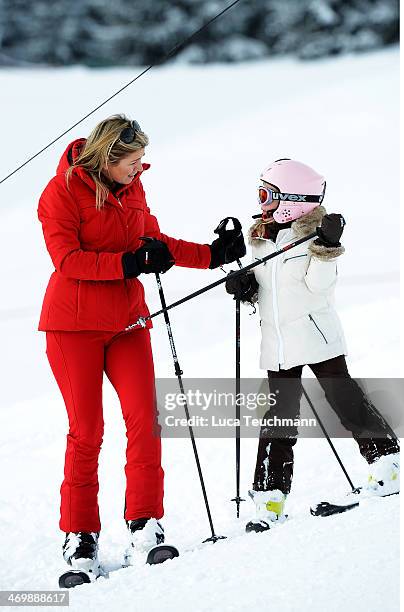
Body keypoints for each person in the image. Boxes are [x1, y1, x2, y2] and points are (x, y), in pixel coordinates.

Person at [37, 114, 245, 573]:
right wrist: (128, 263)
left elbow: (154, 241)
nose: (139, 168)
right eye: (133, 161)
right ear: (108, 157)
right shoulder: (61, 192)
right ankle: (80, 537)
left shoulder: (133, 189)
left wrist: (213, 255)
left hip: (128, 322)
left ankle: (144, 524)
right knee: (88, 430)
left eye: (142, 160)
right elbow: (66, 260)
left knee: (145, 421)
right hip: (73, 328)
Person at [226, 158, 400, 533]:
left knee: (343, 398)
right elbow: (269, 289)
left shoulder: (315, 235)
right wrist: (246, 287)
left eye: (267, 195)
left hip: (316, 337)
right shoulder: (261, 237)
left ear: (292, 199)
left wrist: (327, 248)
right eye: (260, 194)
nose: (262, 204)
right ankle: (269, 497)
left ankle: (386, 464)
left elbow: (320, 287)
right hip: (278, 343)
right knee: (279, 417)